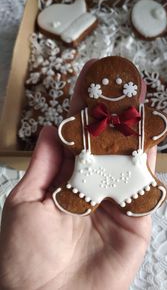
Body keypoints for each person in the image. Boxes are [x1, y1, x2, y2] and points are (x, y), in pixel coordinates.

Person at [0, 61, 157, 290]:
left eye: (123, 86)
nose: (112, 88)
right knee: (83, 185)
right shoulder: (86, 120)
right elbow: (69, 131)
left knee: (137, 184)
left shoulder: (137, 119)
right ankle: (79, 196)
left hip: (130, 165)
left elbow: (155, 126)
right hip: (90, 167)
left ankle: (139, 194)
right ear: (91, 90)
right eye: (102, 84)